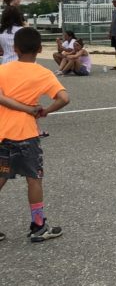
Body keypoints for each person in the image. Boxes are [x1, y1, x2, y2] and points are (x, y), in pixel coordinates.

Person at [0, 27, 69, 242]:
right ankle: (38, 225)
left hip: (3, 134)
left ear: (15, 48)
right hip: (26, 136)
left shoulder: (3, 70)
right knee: (34, 179)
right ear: (40, 49)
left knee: (1, 176)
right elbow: (64, 98)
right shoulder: (43, 73)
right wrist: (44, 110)